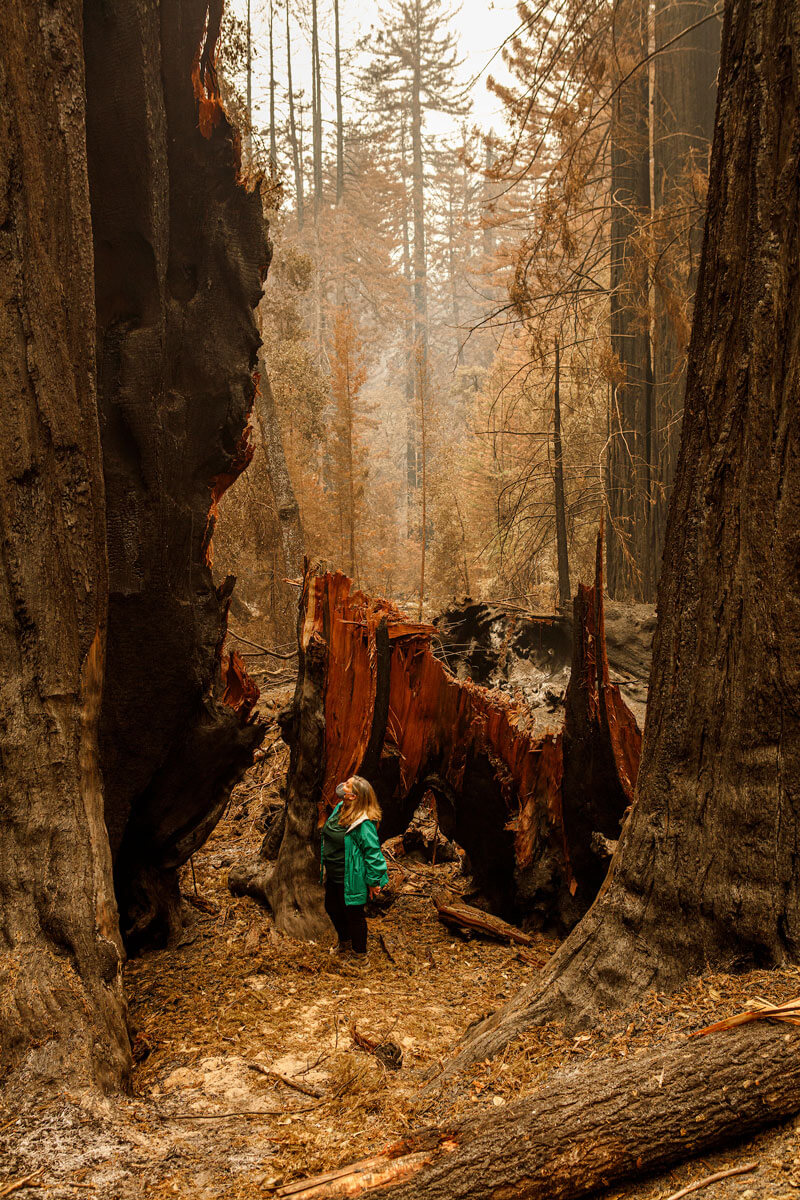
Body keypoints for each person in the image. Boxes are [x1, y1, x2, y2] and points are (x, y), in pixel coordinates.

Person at [320, 775, 389, 957]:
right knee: (332, 908)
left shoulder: (363, 823)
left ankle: (360, 957)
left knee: (353, 915)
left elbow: (374, 854)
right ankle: (345, 943)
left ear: (353, 796)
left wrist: (374, 881)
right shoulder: (340, 808)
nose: (342, 786)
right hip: (334, 873)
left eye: (347, 785)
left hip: (351, 876)